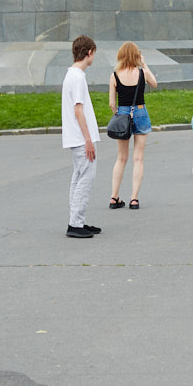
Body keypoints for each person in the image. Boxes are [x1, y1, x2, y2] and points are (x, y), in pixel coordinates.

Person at [108, 41, 158, 211]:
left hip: (122, 114)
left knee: (121, 158)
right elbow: (155, 84)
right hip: (140, 112)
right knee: (138, 158)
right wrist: (144, 64)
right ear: (137, 55)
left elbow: (111, 104)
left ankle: (114, 197)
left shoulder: (114, 75)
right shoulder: (142, 73)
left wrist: (119, 114)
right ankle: (134, 199)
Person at [62, 35, 101, 238]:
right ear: (89, 52)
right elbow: (79, 110)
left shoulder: (72, 75)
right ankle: (75, 223)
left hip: (76, 137)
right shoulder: (77, 77)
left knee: (78, 177)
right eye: (94, 53)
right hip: (80, 138)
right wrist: (88, 140)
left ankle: (78, 220)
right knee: (86, 177)